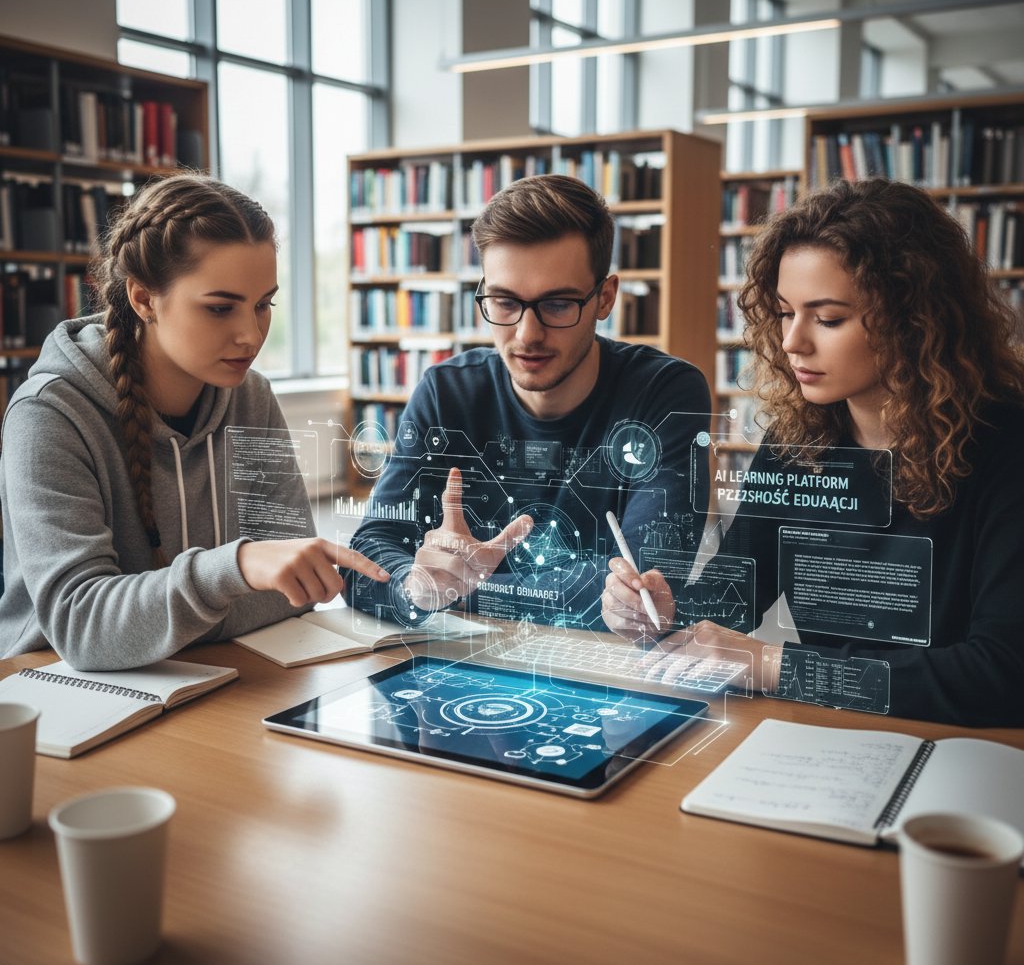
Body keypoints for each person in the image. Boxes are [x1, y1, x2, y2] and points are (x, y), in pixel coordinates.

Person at [603, 178, 1024, 726]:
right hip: (826, 734)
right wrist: (662, 610)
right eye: (783, 312)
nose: (793, 342)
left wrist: (774, 665)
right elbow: (736, 593)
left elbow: (1002, 673)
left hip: (956, 751)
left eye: (827, 319)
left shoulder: (1006, 447)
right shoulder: (798, 441)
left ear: (916, 320)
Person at [0, 173, 388, 671]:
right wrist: (236, 570)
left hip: (208, 679)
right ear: (143, 299)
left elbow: (298, 587)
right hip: (59, 692)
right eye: (220, 308)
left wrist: (165, 618)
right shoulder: (50, 414)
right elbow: (81, 628)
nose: (251, 335)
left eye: (264, 305)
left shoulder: (250, 396)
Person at [347, 174, 711, 631]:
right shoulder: (447, 391)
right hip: (465, 664)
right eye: (503, 302)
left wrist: (475, 584)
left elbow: (649, 584)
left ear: (605, 297)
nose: (526, 334)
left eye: (557, 305)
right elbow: (364, 558)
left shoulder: (667, 392)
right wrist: (415, 585)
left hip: (602, 677)